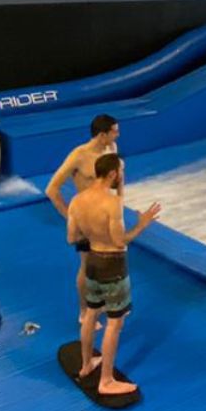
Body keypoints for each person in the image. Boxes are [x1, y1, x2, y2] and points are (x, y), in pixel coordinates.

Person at [66, 153, 159, 395]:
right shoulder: (112, 203)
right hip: (113, 265)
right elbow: (119, 241)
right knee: (114, 323)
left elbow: (72, 237)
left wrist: (94, 234)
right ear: (113, 174)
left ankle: (87, 365)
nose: (122, 176)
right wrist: (142, 224)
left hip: (92, 262)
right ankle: (106, 381)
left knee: (90, 313)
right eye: (121, 172)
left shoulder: (77, 200)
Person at [47, 114, 121, 319]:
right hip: (87, 221)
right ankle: (84, 311)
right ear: (102, 135)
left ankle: (102, 301)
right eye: (114, 131)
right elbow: (51, 189)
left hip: (106, 217)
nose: (118, 135)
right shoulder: (79, 156)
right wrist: (70, 218)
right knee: (88, 266)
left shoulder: (111, 149)